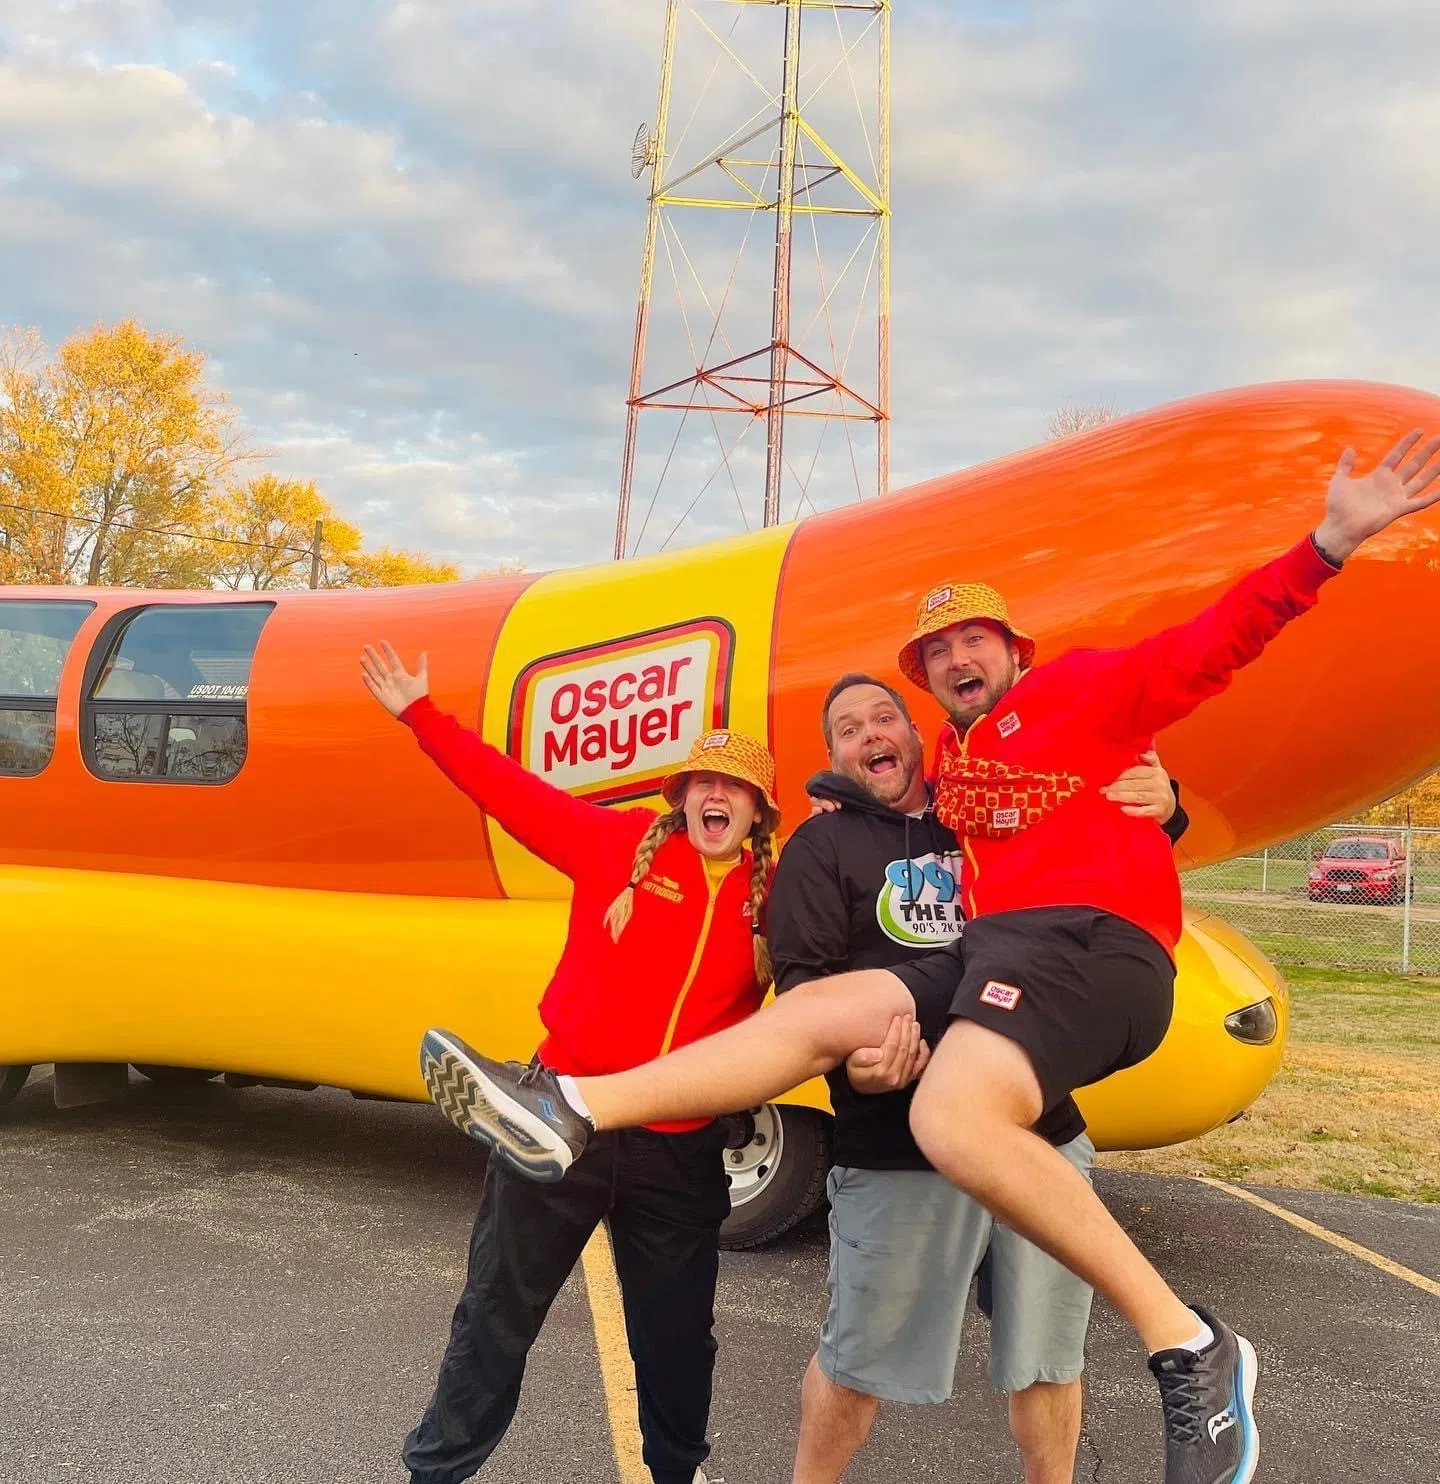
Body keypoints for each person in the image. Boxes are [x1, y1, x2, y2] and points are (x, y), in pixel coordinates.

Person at [417, 432, 1440, 1484]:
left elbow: (1202, 652)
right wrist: (860, 1061)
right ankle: (574, 1103)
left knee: (1035, 1338)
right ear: (837, 757)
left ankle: (1191, 1343)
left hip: (1054, 990)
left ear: (1004, 658)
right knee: (832, 1047)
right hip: (920, 1083)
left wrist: (1320, 552)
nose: (947, 668)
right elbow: (803, 976)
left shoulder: (1060, 709)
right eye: (862, 712)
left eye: (969, 649)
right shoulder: (892, 814)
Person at [360, 640, 782, 1484]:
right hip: (560, 1117)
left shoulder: (774, 898)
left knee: (676, 1336)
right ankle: (434, 1474)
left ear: (758, 814)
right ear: (682, 795)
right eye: (704, 782)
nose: (716, 795)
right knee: (495, 1316)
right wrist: (420, 714)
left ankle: (677, 1471)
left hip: (678, 1145)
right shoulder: (616, 845)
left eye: (735, 789)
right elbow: (509, 793)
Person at [772, 673, 1186, 1484]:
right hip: (894, 1144)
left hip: (1035, 1134)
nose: (870, 735)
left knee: (1049, 1362)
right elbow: (802, 994)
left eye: (884, 717)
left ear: (919, 735)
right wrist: (858, 1062)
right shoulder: (821, 847)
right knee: (857, 1372)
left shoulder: (988, 814)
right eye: (849, 729)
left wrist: (1169, 804)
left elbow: (1103, 852)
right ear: (834, 757)